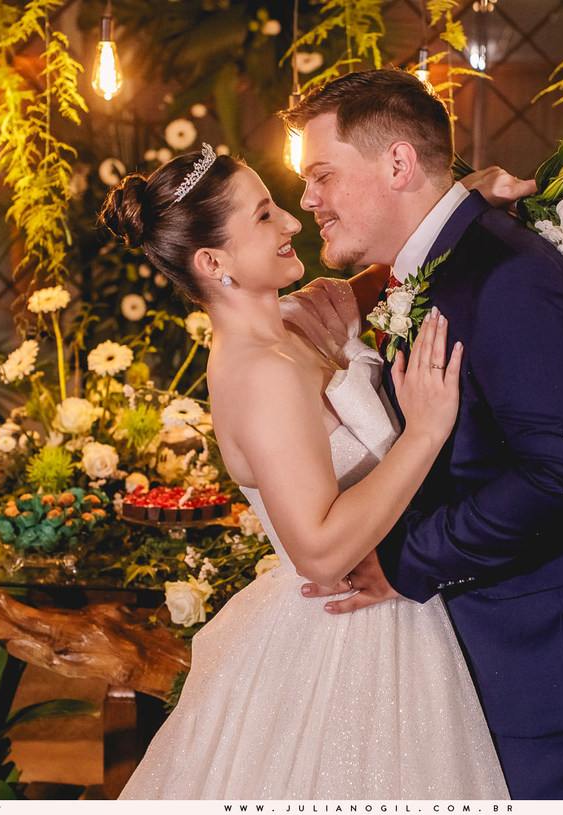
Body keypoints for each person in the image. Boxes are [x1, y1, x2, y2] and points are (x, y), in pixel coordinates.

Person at [283, 69, 563, 800]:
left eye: (322, 174)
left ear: (398, 164)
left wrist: (403, 559)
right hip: (523, 638)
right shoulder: (440, 262)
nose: (307, 199)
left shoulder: (509, 275)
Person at [102, 144, 518, 798]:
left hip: (399, 611)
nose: (293, 222)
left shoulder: (297, 323)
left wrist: (465, 202)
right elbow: (321, 550)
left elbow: (403, 268)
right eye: (265, 216)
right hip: (349, 643)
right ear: (213, 262)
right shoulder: (258, 374)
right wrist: (428, 429)